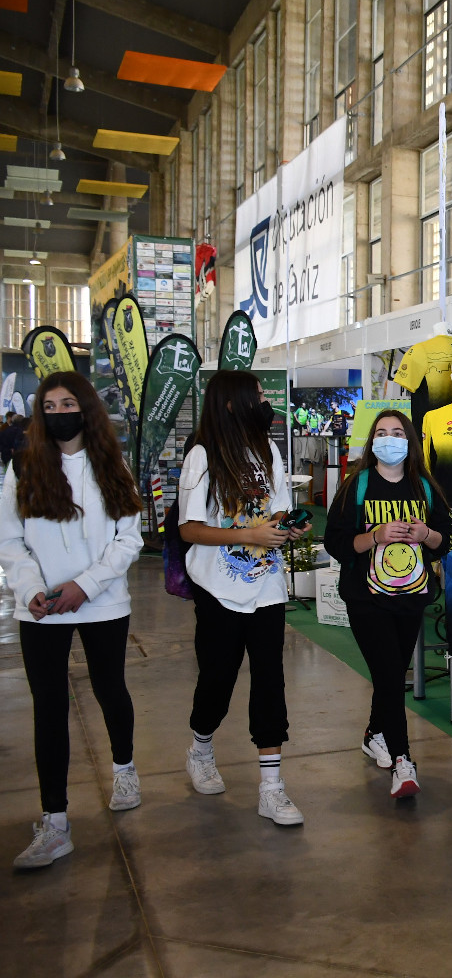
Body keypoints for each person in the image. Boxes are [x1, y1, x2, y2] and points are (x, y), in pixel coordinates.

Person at [0, 373, 144, 868]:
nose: (59, 412)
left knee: (110, 688)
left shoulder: (112, 465)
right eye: (50, 404)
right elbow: (9, 538)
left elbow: (128, 538)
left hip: (101, 602)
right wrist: (31, 590)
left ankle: (124, 766)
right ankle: (55, 821)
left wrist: (87, 585)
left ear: (85, 409)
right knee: (49, 708)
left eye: (68, 403)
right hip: (40, 607)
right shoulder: (23, 465)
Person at [177, 370, 311, 826]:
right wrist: (247, 532)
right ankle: (201, 746)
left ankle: (271, 787)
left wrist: (285, 526)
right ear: (231, 402)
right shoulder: (202, 455)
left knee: (270, 680)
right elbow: (189, 529)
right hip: (218, 588)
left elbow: (274, 506)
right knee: (218, 678)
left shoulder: (267, 449)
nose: (263, 400)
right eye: (256, 394)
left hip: (267, 583)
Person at [324, 409, 452, 799]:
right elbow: (335, 543)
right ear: (372, 441)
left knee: (391, 673)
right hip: (366, 599)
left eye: (397, 432)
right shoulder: (356, 487)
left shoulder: (425, 488)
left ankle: (373, 733)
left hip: (412, 598)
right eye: (382, 432)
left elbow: (447, 540)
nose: (390, 439)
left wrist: (427, 533)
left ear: (409, 440)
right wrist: (375, 536)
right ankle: (403, 761)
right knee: (389, 676)